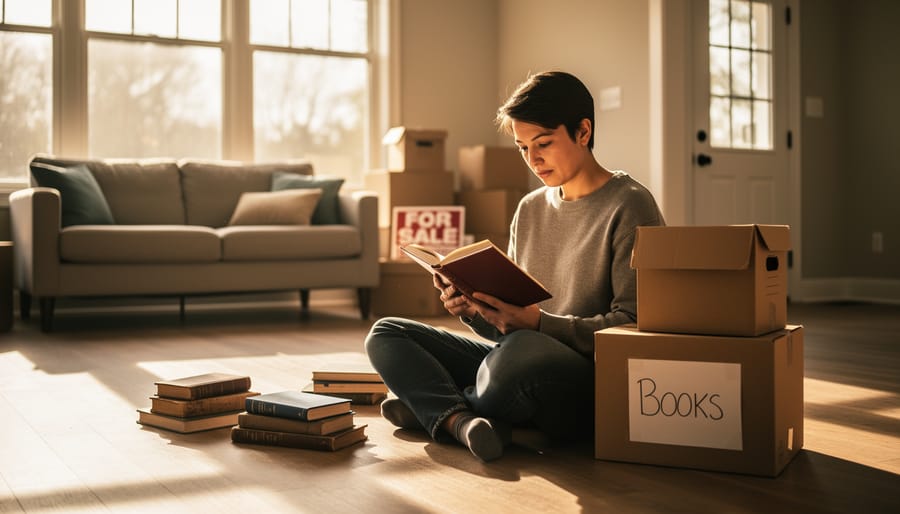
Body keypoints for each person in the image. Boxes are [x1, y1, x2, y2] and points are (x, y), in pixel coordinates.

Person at [365, 70, 665, 462]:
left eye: (543, 143)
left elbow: (635, 323)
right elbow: (505, 327)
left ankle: (435, 410)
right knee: (387, 333)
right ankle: (461, 420)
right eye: (523, 148)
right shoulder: (530, 208)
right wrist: (473, 311)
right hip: (515, 359)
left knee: (522, 351)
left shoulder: (630, 204)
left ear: (583, 131)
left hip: (584, 379)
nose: (533, 159)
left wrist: (540, 325)